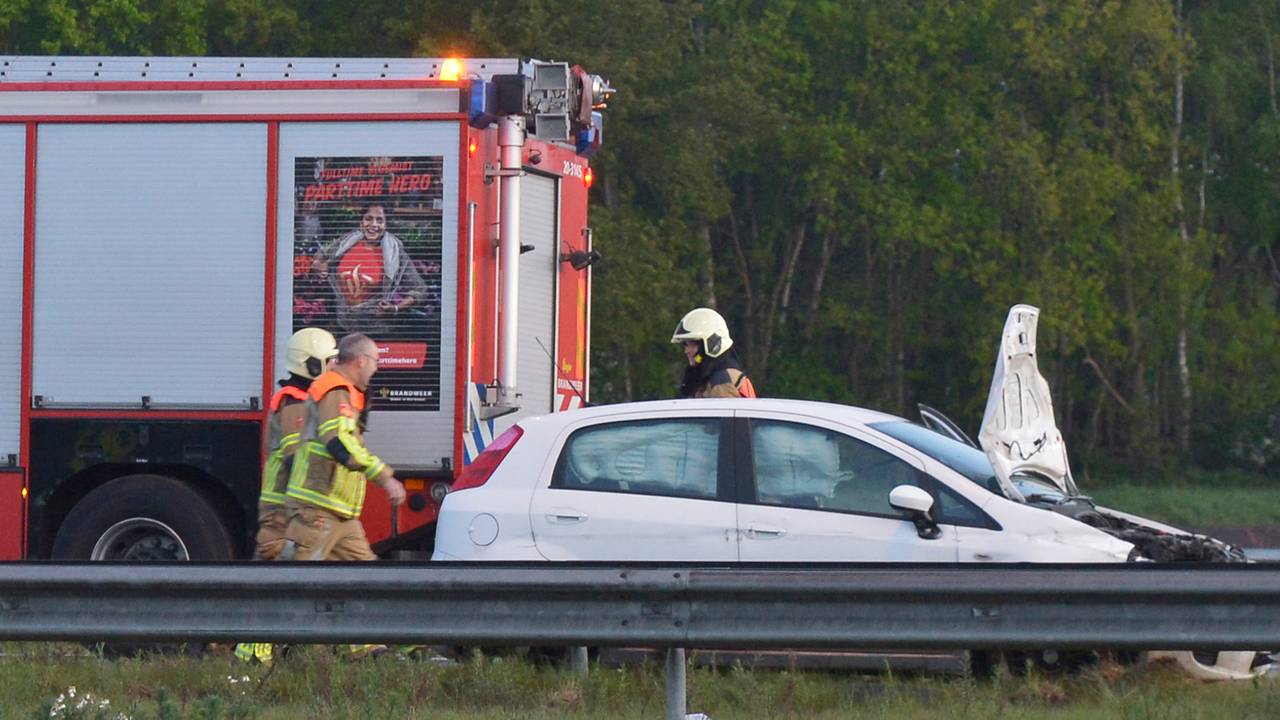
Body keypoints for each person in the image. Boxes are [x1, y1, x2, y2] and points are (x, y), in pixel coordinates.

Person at [234, 327, 338, 665]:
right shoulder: (294, 401)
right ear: (310, 364)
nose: (333, 366)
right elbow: (296, 456)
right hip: (283, 506)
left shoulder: (307, 399)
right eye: (328, 360)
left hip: (294, 504)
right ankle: (253, 649)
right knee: (276, 574)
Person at [281, 332, 405, 561]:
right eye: (376, 362)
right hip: (318, 510)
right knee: (295, 582)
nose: (376, 369)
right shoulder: (336, 390)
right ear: (361, 360)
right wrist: (384, 477)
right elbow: (339, 442)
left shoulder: (343, 391)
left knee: (369, 582)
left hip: (340, 515)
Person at [312, 204, 428, 333]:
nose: (373, 224)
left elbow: (420, 289)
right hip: (341, 326)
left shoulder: (395, 253)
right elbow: (320, 254)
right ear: (361, 222)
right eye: (369, 219)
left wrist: (396, 308)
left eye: (379, 220)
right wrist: (320, 265)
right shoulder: (347, 242)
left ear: (386, 225)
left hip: (375, 330)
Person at [671, 307, 757, 398]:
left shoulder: (721, 381)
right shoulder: (711, 376)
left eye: (692, 344)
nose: (686, 351)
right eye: (685, 344)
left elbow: (725, 412)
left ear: (711, 343)